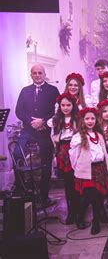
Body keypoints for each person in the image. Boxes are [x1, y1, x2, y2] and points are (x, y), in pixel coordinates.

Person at [15, 64, 60, 205]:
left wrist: (43, 121)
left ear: (44, 74)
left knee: (46, 162)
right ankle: (21, 191)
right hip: (28, 130)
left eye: (40, 72)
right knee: (17, 154)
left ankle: (44, 195)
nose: (37, 75)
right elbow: (19, 111)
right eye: (34, 73)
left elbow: (57, 111)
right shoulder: (25, 91)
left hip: (45, 131)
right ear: (31, 75)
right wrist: (31, 121)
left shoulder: (53, 90)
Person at [69, 108, 108, 234]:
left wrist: (106, 167)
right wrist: (77, 168)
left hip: (99, 168)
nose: (90, 121)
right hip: (87, 170)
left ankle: (96, 220)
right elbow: (74, 154)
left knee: (98, 196)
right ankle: (82, 217)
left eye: (92, 118)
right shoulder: (78, 137)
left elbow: (104, 153)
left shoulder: (99, 136)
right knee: (89, 196)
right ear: (82, 120)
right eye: (87, 118)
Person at [48, 93, 79, 224]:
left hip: (76, 150)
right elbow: (53, 137)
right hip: (63, 153)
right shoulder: (56, 120)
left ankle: (80, 213)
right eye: (63, 105)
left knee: (78, 182)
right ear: (59, 106)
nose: (65, 108)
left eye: (68, 105)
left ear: (73, 105)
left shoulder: (78, 119)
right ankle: (71, 212)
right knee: (68, 183)